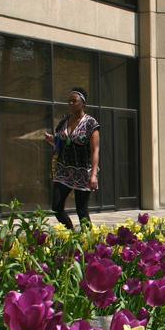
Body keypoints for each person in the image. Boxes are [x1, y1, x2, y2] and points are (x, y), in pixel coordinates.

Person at [45, 87, 100, 229]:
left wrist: (93, 175)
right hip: (63, 170)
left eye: (74, 101)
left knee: (81, 211)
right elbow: (60, 142)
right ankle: (70, 233)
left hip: (82, 172)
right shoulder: (64, 120)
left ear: (83, 103)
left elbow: (95, 150)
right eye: (69, 101)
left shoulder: (91, 124)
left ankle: (89, 241)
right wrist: (51, 139)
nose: (71, 103)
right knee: (56, 207)